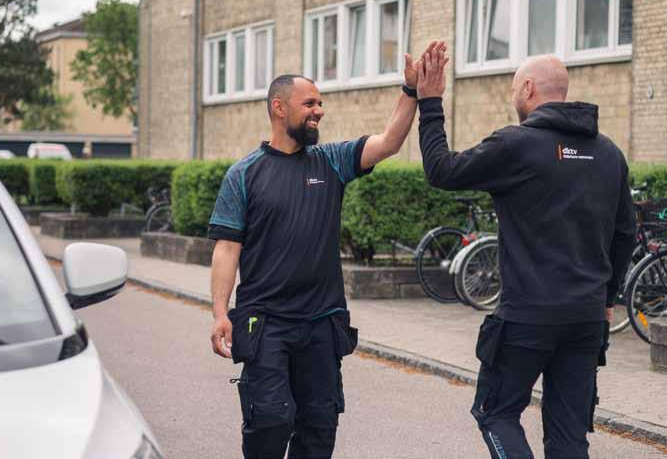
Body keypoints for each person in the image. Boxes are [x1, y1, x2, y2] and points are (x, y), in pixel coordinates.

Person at [414, 42, 636, 458]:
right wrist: (607, 299)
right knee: (569, 435)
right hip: (586, 319)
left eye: (515, 87)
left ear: (529, 88)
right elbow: (626, 234)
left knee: (495, 412)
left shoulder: (516, 144)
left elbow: (441, 170)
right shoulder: (609, 153)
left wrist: (429, 102)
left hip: (526, 320)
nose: (513, 95)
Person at [207, 49, 428, 458]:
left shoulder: (332, 162)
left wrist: (410, 89)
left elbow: (389, 142)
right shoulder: (244, 174)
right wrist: (221, 313)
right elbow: (227, 248)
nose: (319, 111)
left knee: (319, 427)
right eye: (309, 103)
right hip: (265, 322)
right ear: (279, 108)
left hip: (321, 323)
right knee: (269, 420)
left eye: (320, 103)